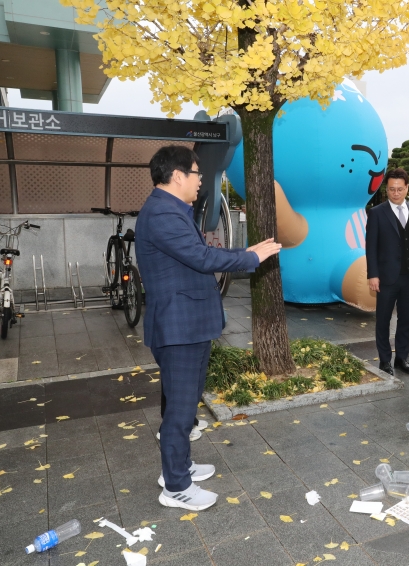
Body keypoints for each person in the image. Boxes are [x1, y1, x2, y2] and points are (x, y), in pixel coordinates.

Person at [137, 145, 281, 511]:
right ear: (178, 176)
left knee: (184, 405)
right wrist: (250, 256)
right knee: (180, 411)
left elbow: (196, 256)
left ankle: (180, 467)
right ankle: (176, 487)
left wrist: (246, 253)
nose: (201, 181)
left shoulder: (171, 209)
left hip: (188, 326)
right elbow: (201, 258)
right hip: (179, 328)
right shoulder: (163, 213)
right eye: (197, 173)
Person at [366, 168, 409, 376]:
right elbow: (371, 247)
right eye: (392, 189)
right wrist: (373, 274)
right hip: (386, 277)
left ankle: (402, 357)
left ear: (407, 188)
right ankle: (385, 360)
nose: (396, 193)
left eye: (400, 189)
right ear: (386, 189)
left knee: (407, 319)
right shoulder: (377, 213)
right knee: (383, 319)